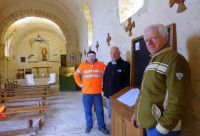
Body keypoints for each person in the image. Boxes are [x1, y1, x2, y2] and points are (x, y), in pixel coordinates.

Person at [131, 24, 191, 136]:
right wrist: (136, 113)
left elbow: (178, 101)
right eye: (146, 40)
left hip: (163, 129)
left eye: (153, 38)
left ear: (165, 38)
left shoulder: (175, 60)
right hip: (150, 124)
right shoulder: (153, 60)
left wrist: (161, 129)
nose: (149, 43)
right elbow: (145, 91)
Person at [74, 50, 109, 134]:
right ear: (87, 57)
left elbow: (108, 72)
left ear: (95, 56)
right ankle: (89, 126)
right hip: (86, 93)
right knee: (87, 110)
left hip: (97, 92)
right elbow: (76, 75)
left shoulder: (101, 65)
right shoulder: (82, 66)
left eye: (93, 56)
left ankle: (101, 126)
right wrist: (80, 84)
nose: (91, 58)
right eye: (89, 56)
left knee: (100, 110)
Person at [103, 46, 130, 123]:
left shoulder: (125, 65)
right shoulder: (108, 65)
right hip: (109, 96)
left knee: (119, 117)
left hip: (119, 97)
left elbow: (127, 82)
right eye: (111, 53)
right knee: (110, 116)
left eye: (115, 53)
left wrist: (120, 93)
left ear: (119, 53)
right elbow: (105, 78)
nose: (113, 55)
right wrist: (104, 89)